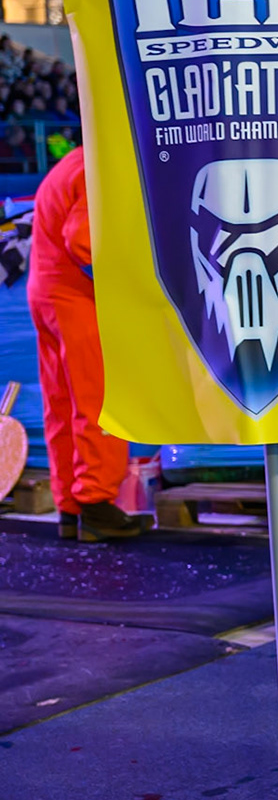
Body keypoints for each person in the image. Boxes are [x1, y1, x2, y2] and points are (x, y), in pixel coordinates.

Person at [27, 147, 143, 542]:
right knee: (100, 400)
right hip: (80, 300)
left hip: (45, 292)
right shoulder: (106, 164)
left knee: (60, 403)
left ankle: (70, 506)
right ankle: (96, 504)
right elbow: (84, 243)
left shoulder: (73, 161)